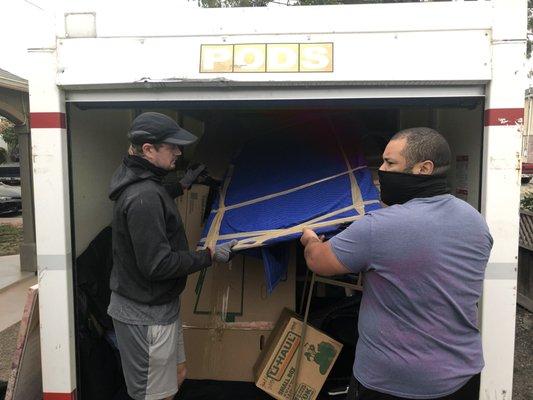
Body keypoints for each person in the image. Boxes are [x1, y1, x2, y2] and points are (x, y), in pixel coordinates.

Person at [300, 127, 493, 400]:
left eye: (390, 163)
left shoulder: (378, 227)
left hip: (390, 384)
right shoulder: (474, 220)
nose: (381, 170)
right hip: (461, 378)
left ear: (424, 168)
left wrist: (310, 240)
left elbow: (319, 263)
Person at [108, 112, 236, 400]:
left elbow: (153, 191)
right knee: (154, 395)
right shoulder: (143, 198)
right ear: (148, 149)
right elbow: (158, 265)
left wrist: (182, 185)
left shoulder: (140, 180)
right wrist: (208, 256)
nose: (179, 151)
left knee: (178, 374)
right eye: (172, 146)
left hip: (161, 306)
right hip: (146, 314)